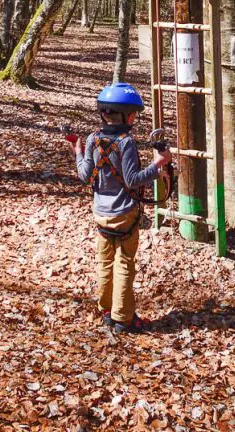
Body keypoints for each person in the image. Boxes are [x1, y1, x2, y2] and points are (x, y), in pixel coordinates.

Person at [65, 82, 172, 333]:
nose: (135, 118)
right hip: (125, 214)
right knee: (124, 263)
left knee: (104, 262)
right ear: (125, 115)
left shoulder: (92, 139)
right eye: (134, 114)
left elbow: (84, 175)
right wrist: (159, 165)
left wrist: (79, 152)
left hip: (101, 214)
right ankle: (123, 317)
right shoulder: (126, 143)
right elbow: (133, 179)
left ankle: (106, 310)